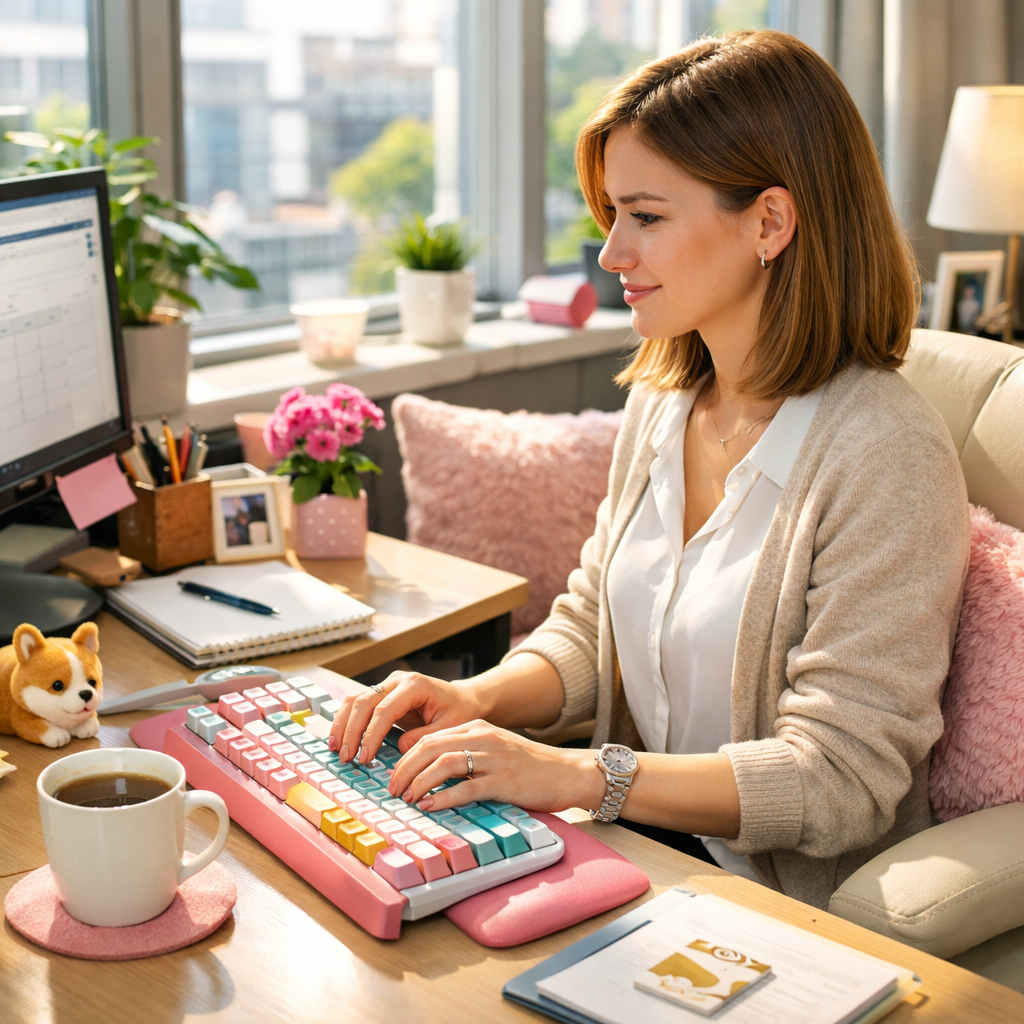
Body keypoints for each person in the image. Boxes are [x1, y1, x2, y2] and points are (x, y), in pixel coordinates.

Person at [328, 30, 970, 909]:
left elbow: (840, 778)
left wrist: (575, 776)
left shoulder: (886, 453)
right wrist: (474, 699)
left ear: (770, 222)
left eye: (647, 216)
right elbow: (594, 629)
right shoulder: (664, 402)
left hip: (772, 906)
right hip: (634, 859)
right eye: (611, 217)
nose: (611, 254)